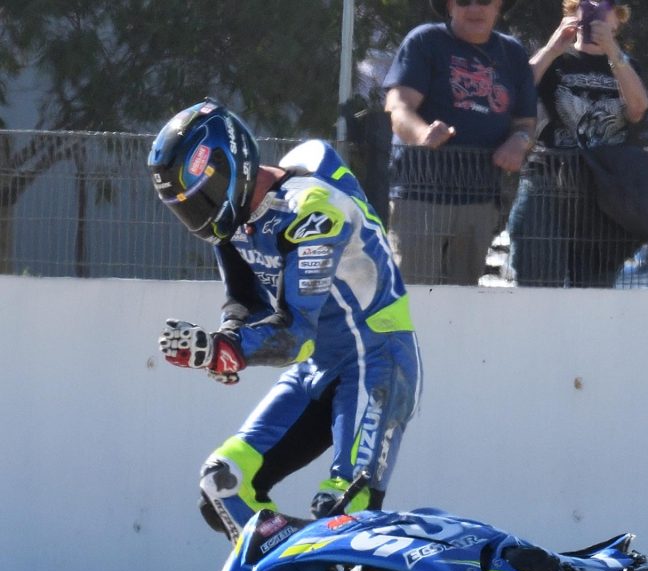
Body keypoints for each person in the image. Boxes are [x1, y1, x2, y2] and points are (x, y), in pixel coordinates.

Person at [148, 99, 422, 542]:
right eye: (186, 207)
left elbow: (295, 333)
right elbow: (244, 301)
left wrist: (226, 352)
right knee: (222, 484)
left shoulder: (314, 210)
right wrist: (224, 343)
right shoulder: (230, 220)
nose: (199, 217)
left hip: (376, 361)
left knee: (343, 508)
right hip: (317, 370)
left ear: (229, 166)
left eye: (202, 198)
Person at [383, 0, 536, 286]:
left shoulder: (513, 53)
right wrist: (421, 134)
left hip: (479, 198)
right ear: (450, 6)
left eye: (484, 1)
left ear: (498, 6)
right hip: (421, 196)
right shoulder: (425, 40)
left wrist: (520, 141)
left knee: (463, 300)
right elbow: (398, 106)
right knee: (415, 295)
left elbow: (526, 123)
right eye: (464, 0)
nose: (474, 8)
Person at [507, 0, 648, 288]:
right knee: (537, 284)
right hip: (548, 183)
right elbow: (512, 93)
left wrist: (613, 51)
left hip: (603, 193)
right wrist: (552, 48)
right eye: (587, 6)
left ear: (619, 19)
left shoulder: (627, 65)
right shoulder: (556, 59)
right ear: (572, 13)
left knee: (594, 292)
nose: (595, 14)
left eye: (605, 7)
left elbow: (637, 109)